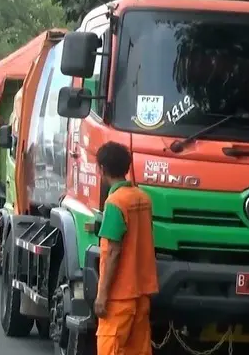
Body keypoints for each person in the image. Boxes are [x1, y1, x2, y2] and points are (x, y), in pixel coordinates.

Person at [94, 141, 159, 355]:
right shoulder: (143, 199)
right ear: (127, 168)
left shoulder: (115, 203)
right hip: (141, 294)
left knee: (109, 348)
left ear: (102, 169)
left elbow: (113, 252)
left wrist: (102, 295)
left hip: (119, 296)